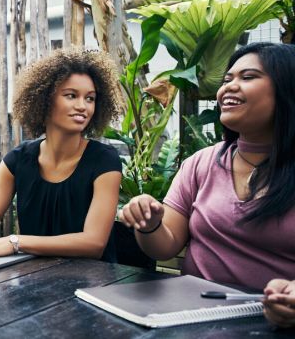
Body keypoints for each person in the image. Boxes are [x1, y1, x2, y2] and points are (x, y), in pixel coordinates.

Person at [120, 42, 295, 292]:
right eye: (227, 79)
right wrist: (150, 225)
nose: (228, 87)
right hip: (196, 312)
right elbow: (165, 246)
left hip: (274, 320)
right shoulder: (201, 163)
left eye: (248, 77)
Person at [0, 48, 123, 261]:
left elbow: (93, 243)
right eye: (71, 96)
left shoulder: (104, 161)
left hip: (92, 285)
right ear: (45, 99)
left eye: (90, 99)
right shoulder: (18, 160)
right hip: (33, 279)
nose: (82, 106)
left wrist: (15, 243)